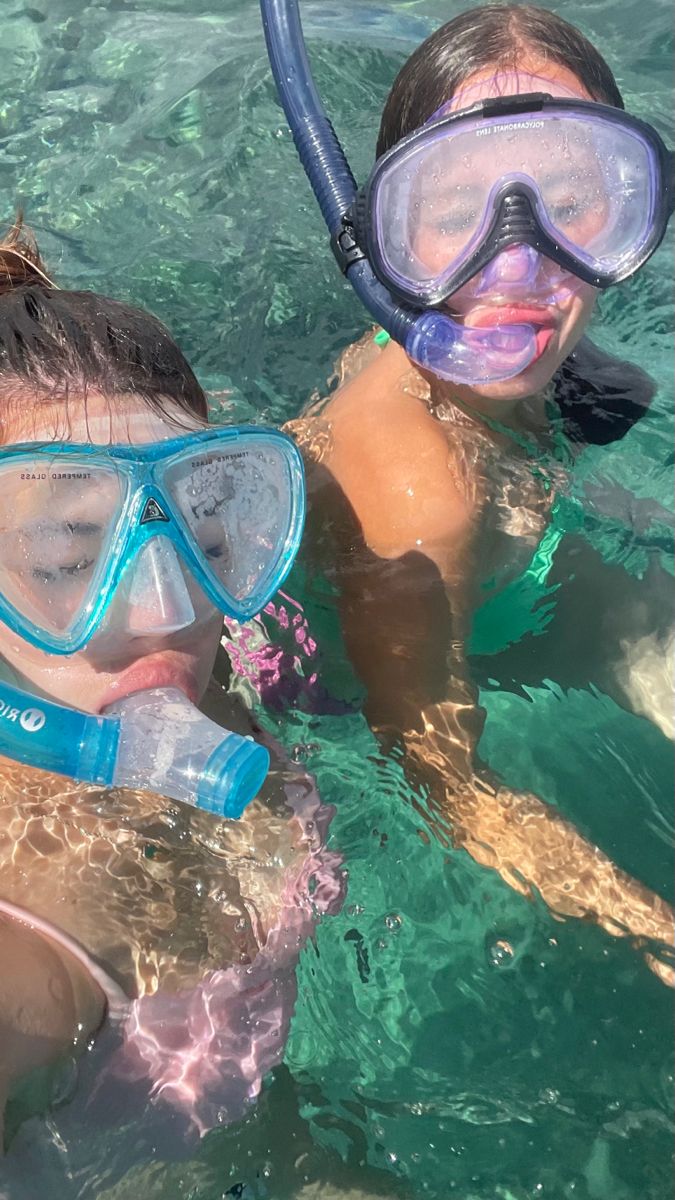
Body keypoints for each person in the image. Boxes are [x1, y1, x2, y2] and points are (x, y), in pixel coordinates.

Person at [270, 5, 675, 978]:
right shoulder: (423, 487)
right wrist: (655, 929)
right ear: (386, 243)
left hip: (511, 566)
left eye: (570, 202)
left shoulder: (562, 380)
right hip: (324, 692)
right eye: (456, 215)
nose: (519, 267)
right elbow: (436, 774)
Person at [0, 222, 344, 1152]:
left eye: (207, 533)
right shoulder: (30, 949)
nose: (166, 610)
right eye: (72, 556)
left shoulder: (234, 660)